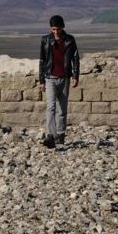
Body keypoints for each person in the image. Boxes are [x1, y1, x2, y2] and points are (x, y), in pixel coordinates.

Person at [39, 15, 80, 148]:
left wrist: (75, 76)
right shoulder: (45, 40)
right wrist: (41, 80)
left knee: (62, 109)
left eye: (58, 29)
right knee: (51, 106)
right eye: (53, 29)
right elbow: (42, 60)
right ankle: (50, 136)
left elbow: (75, 58)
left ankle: (61, 135)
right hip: (50, 77)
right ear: (50, 29)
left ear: (63, 27)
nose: (56, 32)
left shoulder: (69, 40)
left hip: (65, 78)